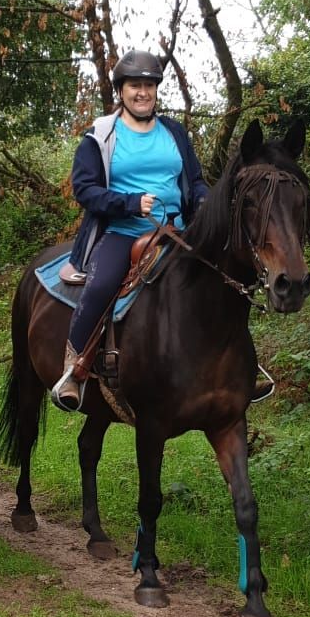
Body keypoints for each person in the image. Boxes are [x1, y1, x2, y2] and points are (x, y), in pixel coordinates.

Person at [51, 49, 208, 411]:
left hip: (178, 232)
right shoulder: (102, 134)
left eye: (149, 86)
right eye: (135, 85)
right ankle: (74, 370)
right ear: (121, 90)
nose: (143, 92)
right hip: (124, 232)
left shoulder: (173, 131)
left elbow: (196, 180)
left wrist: (204, 201)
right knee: (101, 286)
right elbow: (84, 189)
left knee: (222, 281)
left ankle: (238, 367)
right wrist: (130, 203)